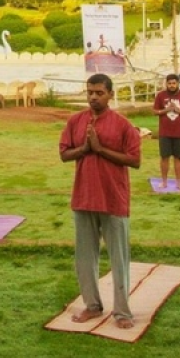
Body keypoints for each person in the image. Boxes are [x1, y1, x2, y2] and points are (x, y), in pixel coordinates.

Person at [58, 73, 142, 329]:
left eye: (99, 93)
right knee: (85, 258)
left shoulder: (123, 125)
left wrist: (101, 149)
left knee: (119, 258)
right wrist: (84, 149)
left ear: (110, 95)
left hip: (113, 200)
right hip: (83, 198)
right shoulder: (75, 121)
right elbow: (64, 154)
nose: (93, 97)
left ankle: (122, 312)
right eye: (90, 92)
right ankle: (92, 305)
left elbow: (135, 160)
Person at [152, 74, 180, 189]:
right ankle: (164, 181)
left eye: (174, 83)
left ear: (178, 84)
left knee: (178, 158)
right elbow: (155, 111)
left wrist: (179, 111)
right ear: (166, 84)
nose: (171, 85)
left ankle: (179, 183)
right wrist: (166, 109)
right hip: (164, 132)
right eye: (169, 83)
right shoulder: (161, 95)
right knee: (164, 157)